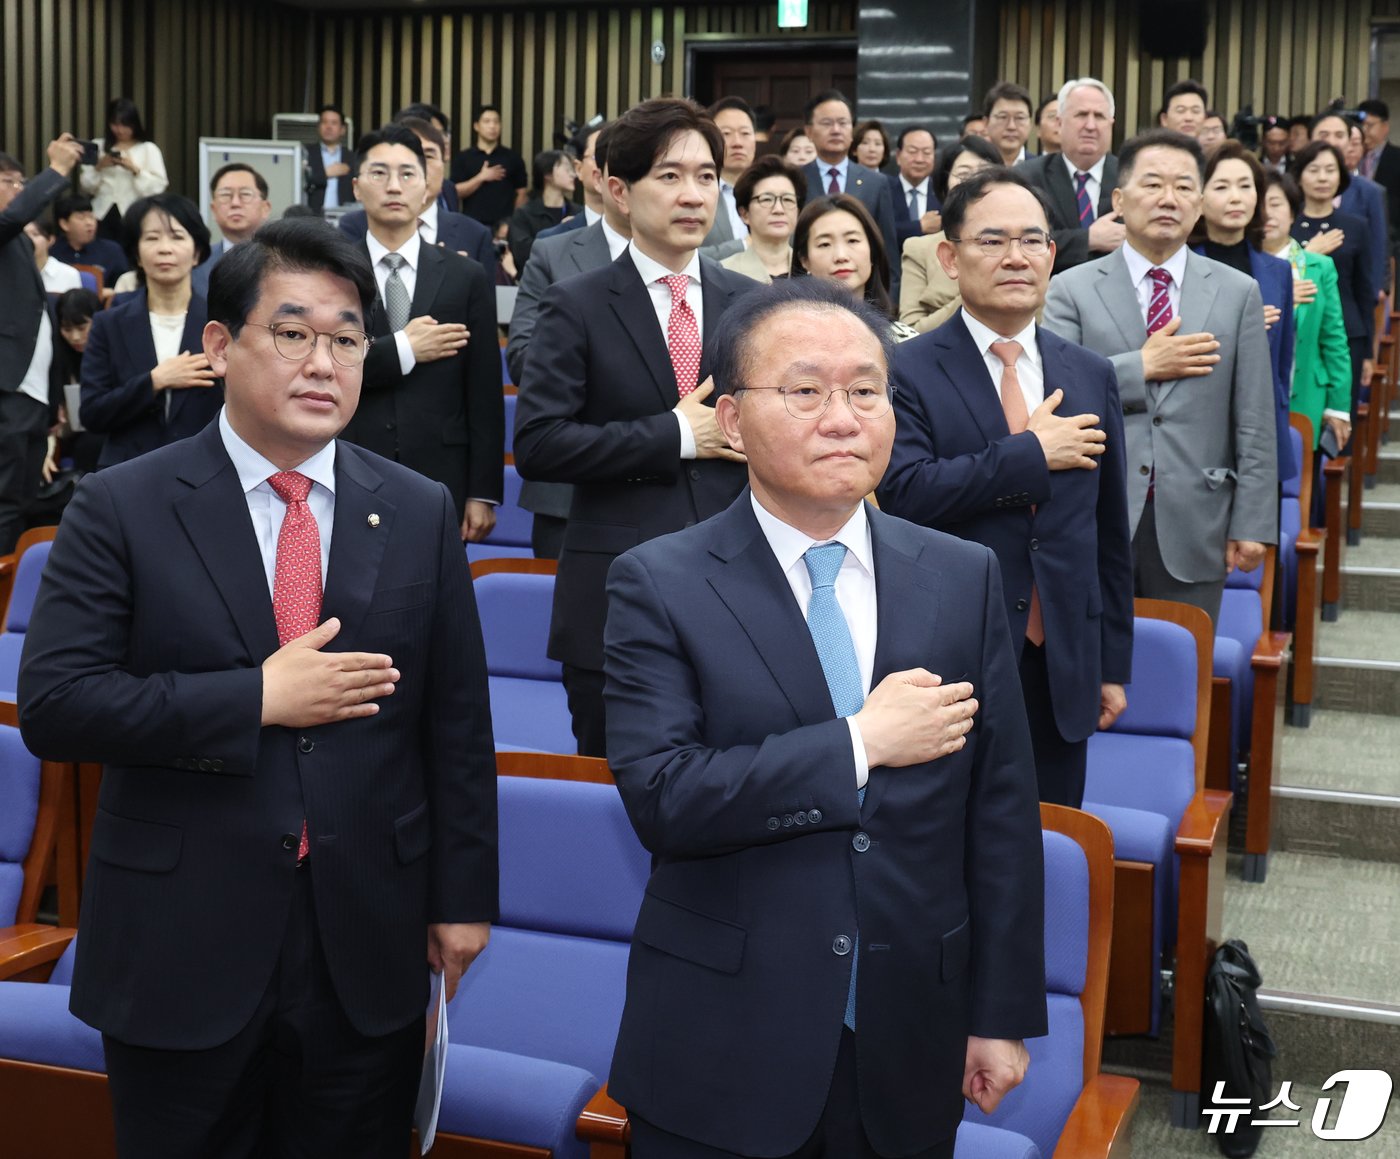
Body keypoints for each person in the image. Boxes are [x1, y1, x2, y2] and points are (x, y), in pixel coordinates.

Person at [18, 217, 498, 1159]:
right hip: (180, 939)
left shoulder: (415, 506)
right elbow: (57, 703)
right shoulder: (123, 502)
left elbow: (457, 725)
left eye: (347, 337)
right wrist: (255, 698)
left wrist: (462, 898)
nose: (324, 361)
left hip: (365, 934)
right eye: (293, 332)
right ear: (219, 344)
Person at [603, 274, 1046, 1159]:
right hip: (726, 1038)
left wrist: (998, 1014)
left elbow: (1000, 810)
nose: (842, 418)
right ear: (730, 421)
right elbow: (666, 796)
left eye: (866, 391)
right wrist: (858, 743)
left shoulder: (961, 575)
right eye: (804, 391)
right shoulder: (660, 580)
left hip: (909, 1031)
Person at [879, 166, 1133, 809]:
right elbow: (904, 493)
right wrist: (1029, 455)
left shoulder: (1090, 372)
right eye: (991, 241)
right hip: (949, 655)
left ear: (1053, 254)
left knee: (1050, 840)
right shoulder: (906, 369)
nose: (1015, 257)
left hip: (1063, 661)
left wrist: (1110, 664)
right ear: (949, 256)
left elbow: (1106, 533)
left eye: (1032, 241)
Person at [512, 97, 755, 756]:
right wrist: (675, 435)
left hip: (741, 595)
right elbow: (538, 443)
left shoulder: (751, 304)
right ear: (619, 190)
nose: (693, 194)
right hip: (615, 596)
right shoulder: (578, 304)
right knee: (614, 791)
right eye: (669, 176)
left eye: (707, 176)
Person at [1044, 128, 1278, 625]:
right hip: (1096, 510)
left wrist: (1254, 522)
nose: (1168, 199)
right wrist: (1138, 367)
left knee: (1183, 672)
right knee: (1091, 679)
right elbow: (1055, 396)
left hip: (1199, 517)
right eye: (1152, 184)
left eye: (1183, 187)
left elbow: (1255, 416)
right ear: (1119, 200)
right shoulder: (1069, 289)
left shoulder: (1238, 293)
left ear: (1199, 204)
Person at [341, 123, 503, 543]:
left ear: (428, 186)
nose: (394, 185)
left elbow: (483, 389)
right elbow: (327, 363)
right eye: (379, 173)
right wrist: (402, 349)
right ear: (357, 187)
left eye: (407, 174)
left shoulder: (465, 276)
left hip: (442, 470)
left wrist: (484, 492)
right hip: (350, 458)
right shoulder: (334, 274)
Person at [507, 124, 627, 560]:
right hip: (568, 491)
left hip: (667, 489)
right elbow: (521, 356)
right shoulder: (553, 251)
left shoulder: (697, 260)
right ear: (596, 175)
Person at [80, 193, 220, 469]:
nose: (164, 248)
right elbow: (92, 413)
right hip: (127, 473)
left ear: (197, 253)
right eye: (152, 238)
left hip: (204, 470)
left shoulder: (220, 325)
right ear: (137, 255)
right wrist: (155, 381)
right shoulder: (108, 324)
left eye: (177, 237)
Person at [1189, 141, 1298, 485]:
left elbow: (1282, 366)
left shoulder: (1277, 271)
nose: (1236, 197)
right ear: (1200, 199)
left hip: (1261, 428)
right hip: (1196, 427)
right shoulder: (1182, 266)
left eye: (1246, 186)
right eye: (1221, 186)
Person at [0, 134, 84, 554]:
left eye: (21, 182)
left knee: (24, 503)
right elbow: (13, 216)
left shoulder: (15, 241)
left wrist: (52, 405)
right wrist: (58, 170)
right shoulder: (7, 230)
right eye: (11, 181)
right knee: (5, 504)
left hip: (32, 397)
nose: (19, 189)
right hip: (7, 391)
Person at [1261, 170, 1352, 463]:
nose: (1267, 213)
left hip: (1307, 394)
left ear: (1292, 213)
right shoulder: (1239, 268)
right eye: (1259, 204)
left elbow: (1334, 339)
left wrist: (1338, 407)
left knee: (1304, 497)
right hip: (1255, 399)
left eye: (1275, 203)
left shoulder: (1319, 266)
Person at [337, 117, 497, 280]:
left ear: (445, 159)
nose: (395, 185)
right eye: (380, 172)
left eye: (428, 156)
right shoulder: (352, 227)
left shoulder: (476, 234)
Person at [1290, 139, 1375, 432]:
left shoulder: (1355, 226)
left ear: (1341, 176)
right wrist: (1308, 253)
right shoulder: (1287, 226)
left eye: (1330, 170)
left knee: (1337, 423)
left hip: (1346, 335)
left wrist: (1368, 352)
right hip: (1299, 329)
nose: (1323, 177)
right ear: (1299, 175)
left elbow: (1366, 291)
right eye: (1314, 170)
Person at [1018, 77, 1125, 273]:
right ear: (1059, 123)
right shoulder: (1028, 177)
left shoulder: (1130, 177)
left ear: (1111, 124)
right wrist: (1088, 239)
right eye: (1082, 115)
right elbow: (1022, 242)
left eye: (1099, 116)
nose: (1091, 126)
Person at [801, 90, 900, 298]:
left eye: (843, 123)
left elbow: (888, 253)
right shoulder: (796, 180)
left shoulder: (876, 182)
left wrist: (889, 305)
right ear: (809, 131)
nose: (836, 130)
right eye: (827, 123)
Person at [899, 135, 1002, 333]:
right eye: (963, 175)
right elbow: (910, 331)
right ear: (945, 184)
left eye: (985, 174)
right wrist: (971, 294)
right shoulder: (919, 249)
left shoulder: (1017, 245)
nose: (974, 183)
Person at [791, 193, 915, 339]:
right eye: (825, 244)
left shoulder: (904, 340)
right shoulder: (789, 339)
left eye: (852, 240)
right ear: (804, 260)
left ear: (872, 250)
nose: (841, 256)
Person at [77, 97, 168, 240]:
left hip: (134, 214)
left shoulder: (148, 149)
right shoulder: (98, 146)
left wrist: (135, 170)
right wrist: (99, 166)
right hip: (100, 214)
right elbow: (86, 186)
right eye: (115, 124)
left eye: (125, 125)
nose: (119, 130)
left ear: (134, 124)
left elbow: (158, 187)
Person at [722, 155, 805, 284]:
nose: (778, 209)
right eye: (766, 199)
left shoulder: (813, 270)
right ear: (744, 214)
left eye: (788, 199)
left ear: (798, 212)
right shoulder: (724, 273)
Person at [194, 163, 272, 297]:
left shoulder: (284, 260)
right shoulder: (197, 262)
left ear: (265, 208)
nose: (235, 203)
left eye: (245, 194)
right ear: (213, 209)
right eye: (225, 195)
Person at [51, 288, 106, 474]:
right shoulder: (56, 355)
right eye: (67, 329)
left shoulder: (112, 349)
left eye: (82, 328)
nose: (75, 337)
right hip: (69, 434)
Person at [701, 97, 759, 260]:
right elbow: (684, 256)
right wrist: (743, 245)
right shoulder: (696, 194)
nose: (737, 143)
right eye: (726, 134)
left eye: (745, 133)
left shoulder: (775, 192)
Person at [451, 104, 529, 226]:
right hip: (471, 223)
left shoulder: (513, 158)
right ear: (476, 126)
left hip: (504, 225)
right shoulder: (464, 157)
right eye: (487, 121)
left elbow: (522, 193)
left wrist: (513, 222)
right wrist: (481, 177)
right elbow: (455, 192)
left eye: (496, 122)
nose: (492, 126)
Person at [507, 149, 580, 271]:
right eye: (567, 169)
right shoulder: (524, 214)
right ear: (547, 174)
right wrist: (560, 231)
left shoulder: (578, 213)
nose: (573, 174)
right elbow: (522, 255)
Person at [50, 194, 129, 286]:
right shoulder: (52, 252)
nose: (89, 223)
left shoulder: (112, 251)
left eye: (91, 217)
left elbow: (123, 286)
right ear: (64, 224)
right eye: (81, 218)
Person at [887, 125, 942, 252]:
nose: (919, 159)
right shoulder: (883, 190)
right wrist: (919, 227)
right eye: (912, 151)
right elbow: (880, 231)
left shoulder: (943, 192)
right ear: (898, 156)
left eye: (927, 152)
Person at [1356, 98, 1400, 244]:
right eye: (1360, 125)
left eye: (1369, 125)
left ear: (1385, 127)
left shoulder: (1396, 158)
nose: (1364, 131)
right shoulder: (1349, 156)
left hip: (1389, 236)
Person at [305, 104, 356, 214]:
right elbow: (301, 182)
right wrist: (325, 174)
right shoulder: (306, 153)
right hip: (313, 216)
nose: (328, 127)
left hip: (343, 215)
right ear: (318, 127)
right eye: (324, 122)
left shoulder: (351, 157)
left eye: (334, 123)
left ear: (342, 129)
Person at [25, 219, 83, 294]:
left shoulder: (69, 274)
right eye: (24, 235)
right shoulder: (12, 272)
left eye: (35, 234)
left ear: (50, 240)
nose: (28, 239)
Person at [984, 82, 1034, 166]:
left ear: (1030, 125)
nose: (1011, 126)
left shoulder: (1043, 172)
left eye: (1019, 118)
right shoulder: (974, 166)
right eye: (1003, 117)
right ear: (986, 123)